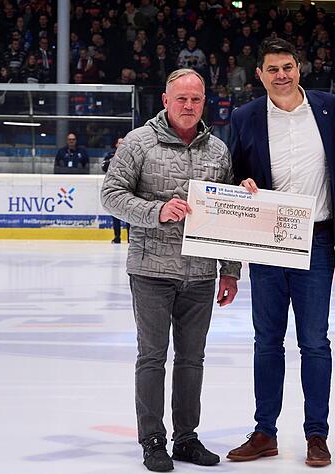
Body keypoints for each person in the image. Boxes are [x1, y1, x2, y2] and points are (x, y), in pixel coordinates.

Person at [100, 69, 240, 473]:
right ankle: (153, 439)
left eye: (196, 99)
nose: (188, 106)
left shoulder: (218, 150)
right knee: (153, 357)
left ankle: (186, 438)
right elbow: (110, 195)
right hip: (151, 271)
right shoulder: (138, 143)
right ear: (165, 99)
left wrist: (229, 270)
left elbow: (230, 215)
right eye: (181, 98)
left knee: (192, 359)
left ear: (204, 103)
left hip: (200, 274)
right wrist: (155, 211)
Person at [226, 38, 335, 467]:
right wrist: (241, 185)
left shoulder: (330, 108)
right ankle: (265, 431)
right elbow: (234, 171)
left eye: (288, 66)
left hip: (317, 240)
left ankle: (317, 434)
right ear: (259, 74)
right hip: (267, 239)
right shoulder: (245, 117)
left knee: (314, 341)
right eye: (272, 68)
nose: (282, 75)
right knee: (267, 341)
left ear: (300, 68)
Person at [101, 137, 128, 243]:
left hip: (127, 186)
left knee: (128, 213)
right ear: (116, 144)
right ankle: (117, 236)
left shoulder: (130, 155)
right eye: (119, 143)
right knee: (115, 213)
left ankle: (130, 237)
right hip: (114, 186)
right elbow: (103, 167)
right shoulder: (111, 156)